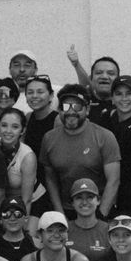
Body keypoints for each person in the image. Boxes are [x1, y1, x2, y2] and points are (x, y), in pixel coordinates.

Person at [38, 85, 121, 216]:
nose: (71, 111)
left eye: (77, 107)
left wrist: (101, 216)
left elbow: (114, 180)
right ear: (59, 110)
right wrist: (60, 214)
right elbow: (50, 179)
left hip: (98, 210)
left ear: (87, 110)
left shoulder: (104, 136)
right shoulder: (49, 139)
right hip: (66, 211)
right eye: (65, 107)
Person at [0, 107, 40, 216]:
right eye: (4, 125)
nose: (8, 131)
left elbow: (27, 200)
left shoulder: (28, 156)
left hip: (31, 202)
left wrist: (22, 224)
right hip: (2, 201)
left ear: (22, 130)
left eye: (15, 127)